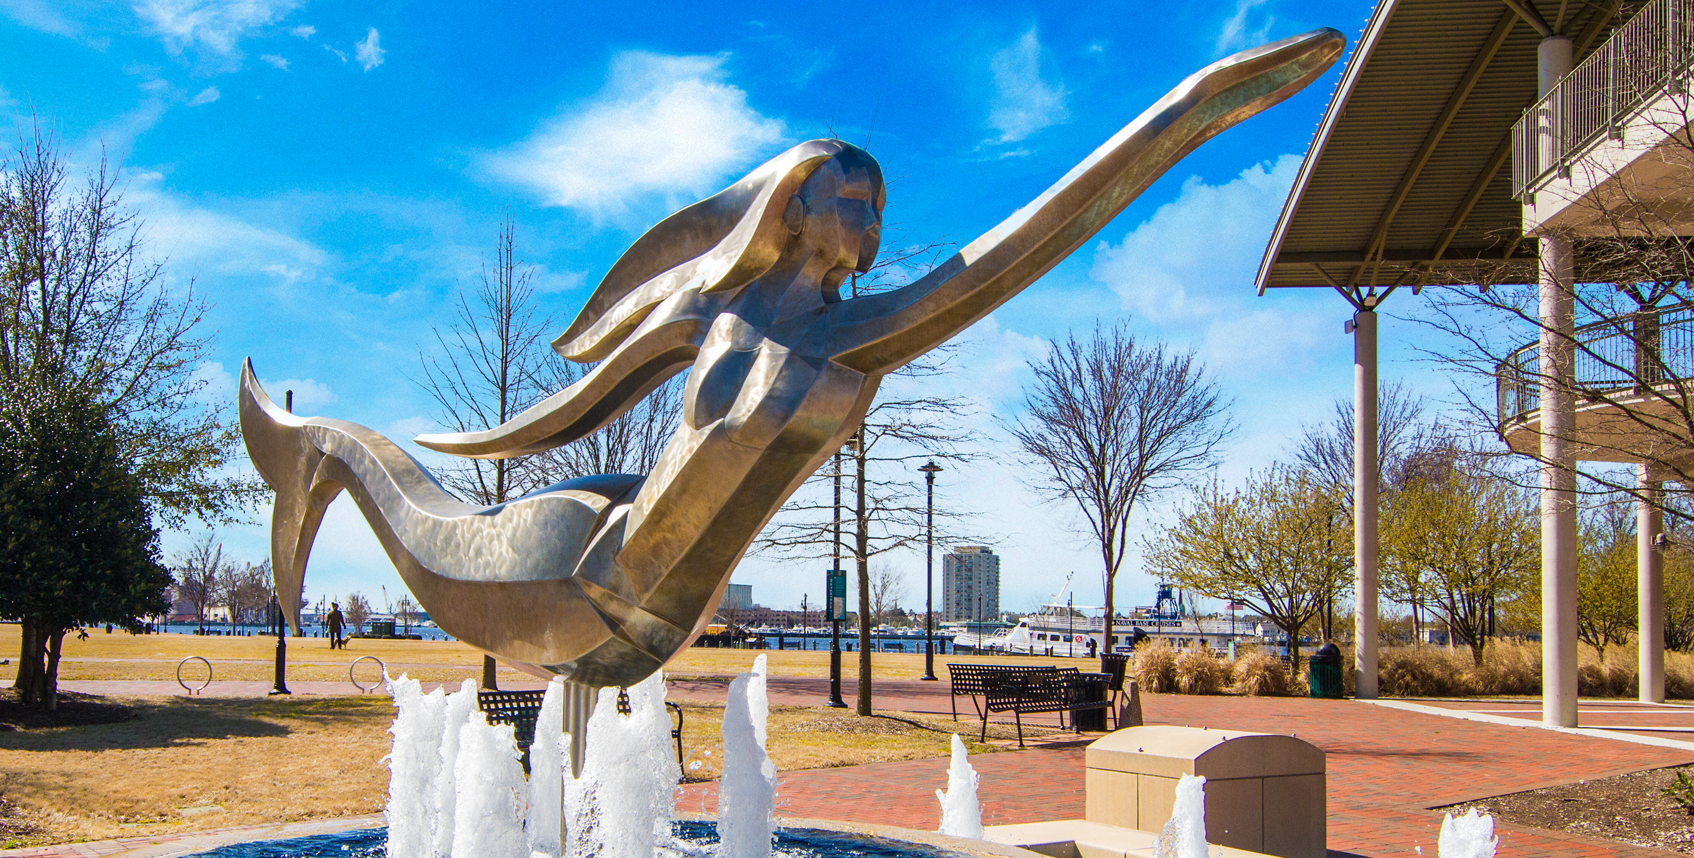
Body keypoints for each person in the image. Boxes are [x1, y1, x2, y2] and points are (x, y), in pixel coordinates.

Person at [238, 31, 1342, 692]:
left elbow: (1015, 251)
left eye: (879, 204)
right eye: (850, 196)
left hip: (654, 626)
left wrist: (1190, 112)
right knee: (411, 507)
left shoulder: (852, 335)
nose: (869, 216)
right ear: (796, 204)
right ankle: (312, 455)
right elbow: (568, 411)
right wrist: (487, 439)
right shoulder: (715, 318)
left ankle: (315, 456)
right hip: (574, 567)